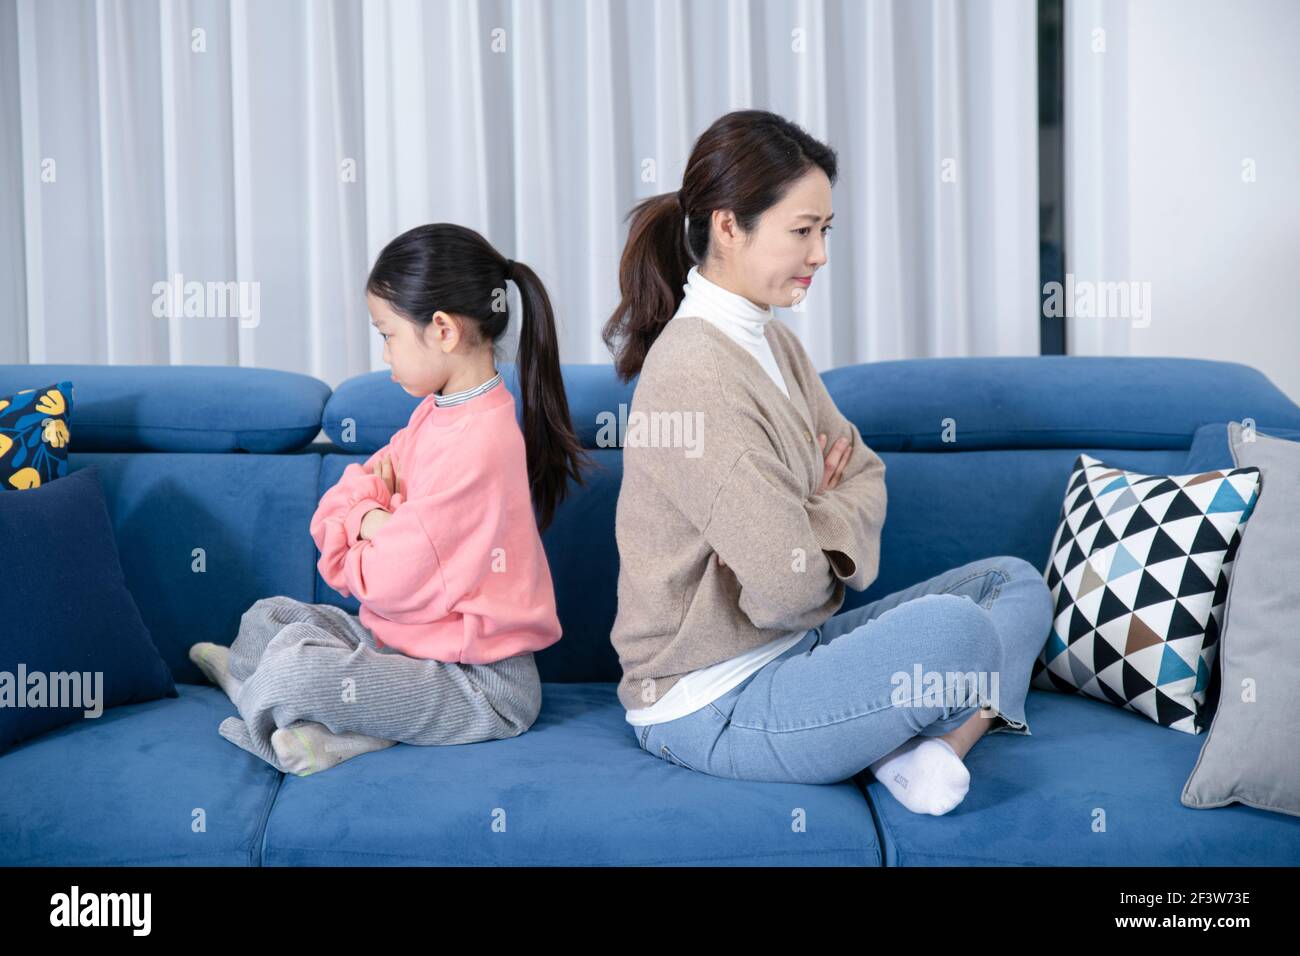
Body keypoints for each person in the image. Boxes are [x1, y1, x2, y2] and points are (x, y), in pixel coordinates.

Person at [604, 110, 1054, 815]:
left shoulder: (773, 343)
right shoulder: (695, 373)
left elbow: (866, 472)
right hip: (708, 702)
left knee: (1013, 582)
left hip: (793, 653)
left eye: (825, 231)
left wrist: (799, 516)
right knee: (954, 634)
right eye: (802, 230)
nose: (819, 254)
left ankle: (935, 750)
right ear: (729, 226)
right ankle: (911, 737)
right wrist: (816, 507)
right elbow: (785, 590)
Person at [191, 223, 589, 775]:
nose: (384, 353)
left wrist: (371, 519)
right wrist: (374, 516)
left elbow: (389, 578)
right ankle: (339, 726)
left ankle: (271, 696)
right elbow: (348, 492)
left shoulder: (482, 442)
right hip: (405, 647)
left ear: (443, 330)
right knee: (267, 618)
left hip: (478, 683)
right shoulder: (439, 410)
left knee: (293, 673)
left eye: (387, 334)